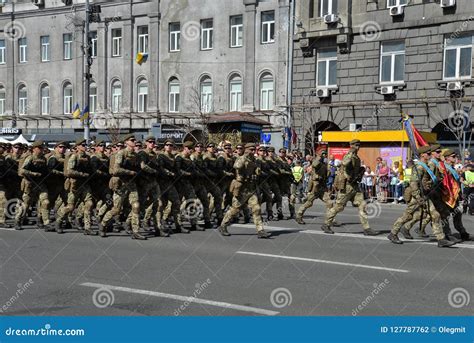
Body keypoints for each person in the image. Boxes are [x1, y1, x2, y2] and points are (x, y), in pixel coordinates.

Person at [321, 140, 378, 235]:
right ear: (351, 145)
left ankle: (367, 228)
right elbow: (344, 163)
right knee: (338, 207)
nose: (358, 146)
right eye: (355, 145)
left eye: (359, 145)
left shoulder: (357, 158)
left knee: (362, 205)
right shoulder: (349, 155)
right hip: (347, 186)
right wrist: (351, 153)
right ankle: (326, 224)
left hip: (355, 186)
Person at [218, 143, 270, 239]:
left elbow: (257, 171)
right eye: (251, 149)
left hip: (251, 188)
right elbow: (236, 167)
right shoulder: (242, 158)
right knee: (235, 209)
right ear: (246, 150)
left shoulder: (254, 159)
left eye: (254, 149)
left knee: (256, 208)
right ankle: (223, 226)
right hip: (241, 189)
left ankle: (260, 230)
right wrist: (244, 159)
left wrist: (256, 171)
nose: (253, 151)